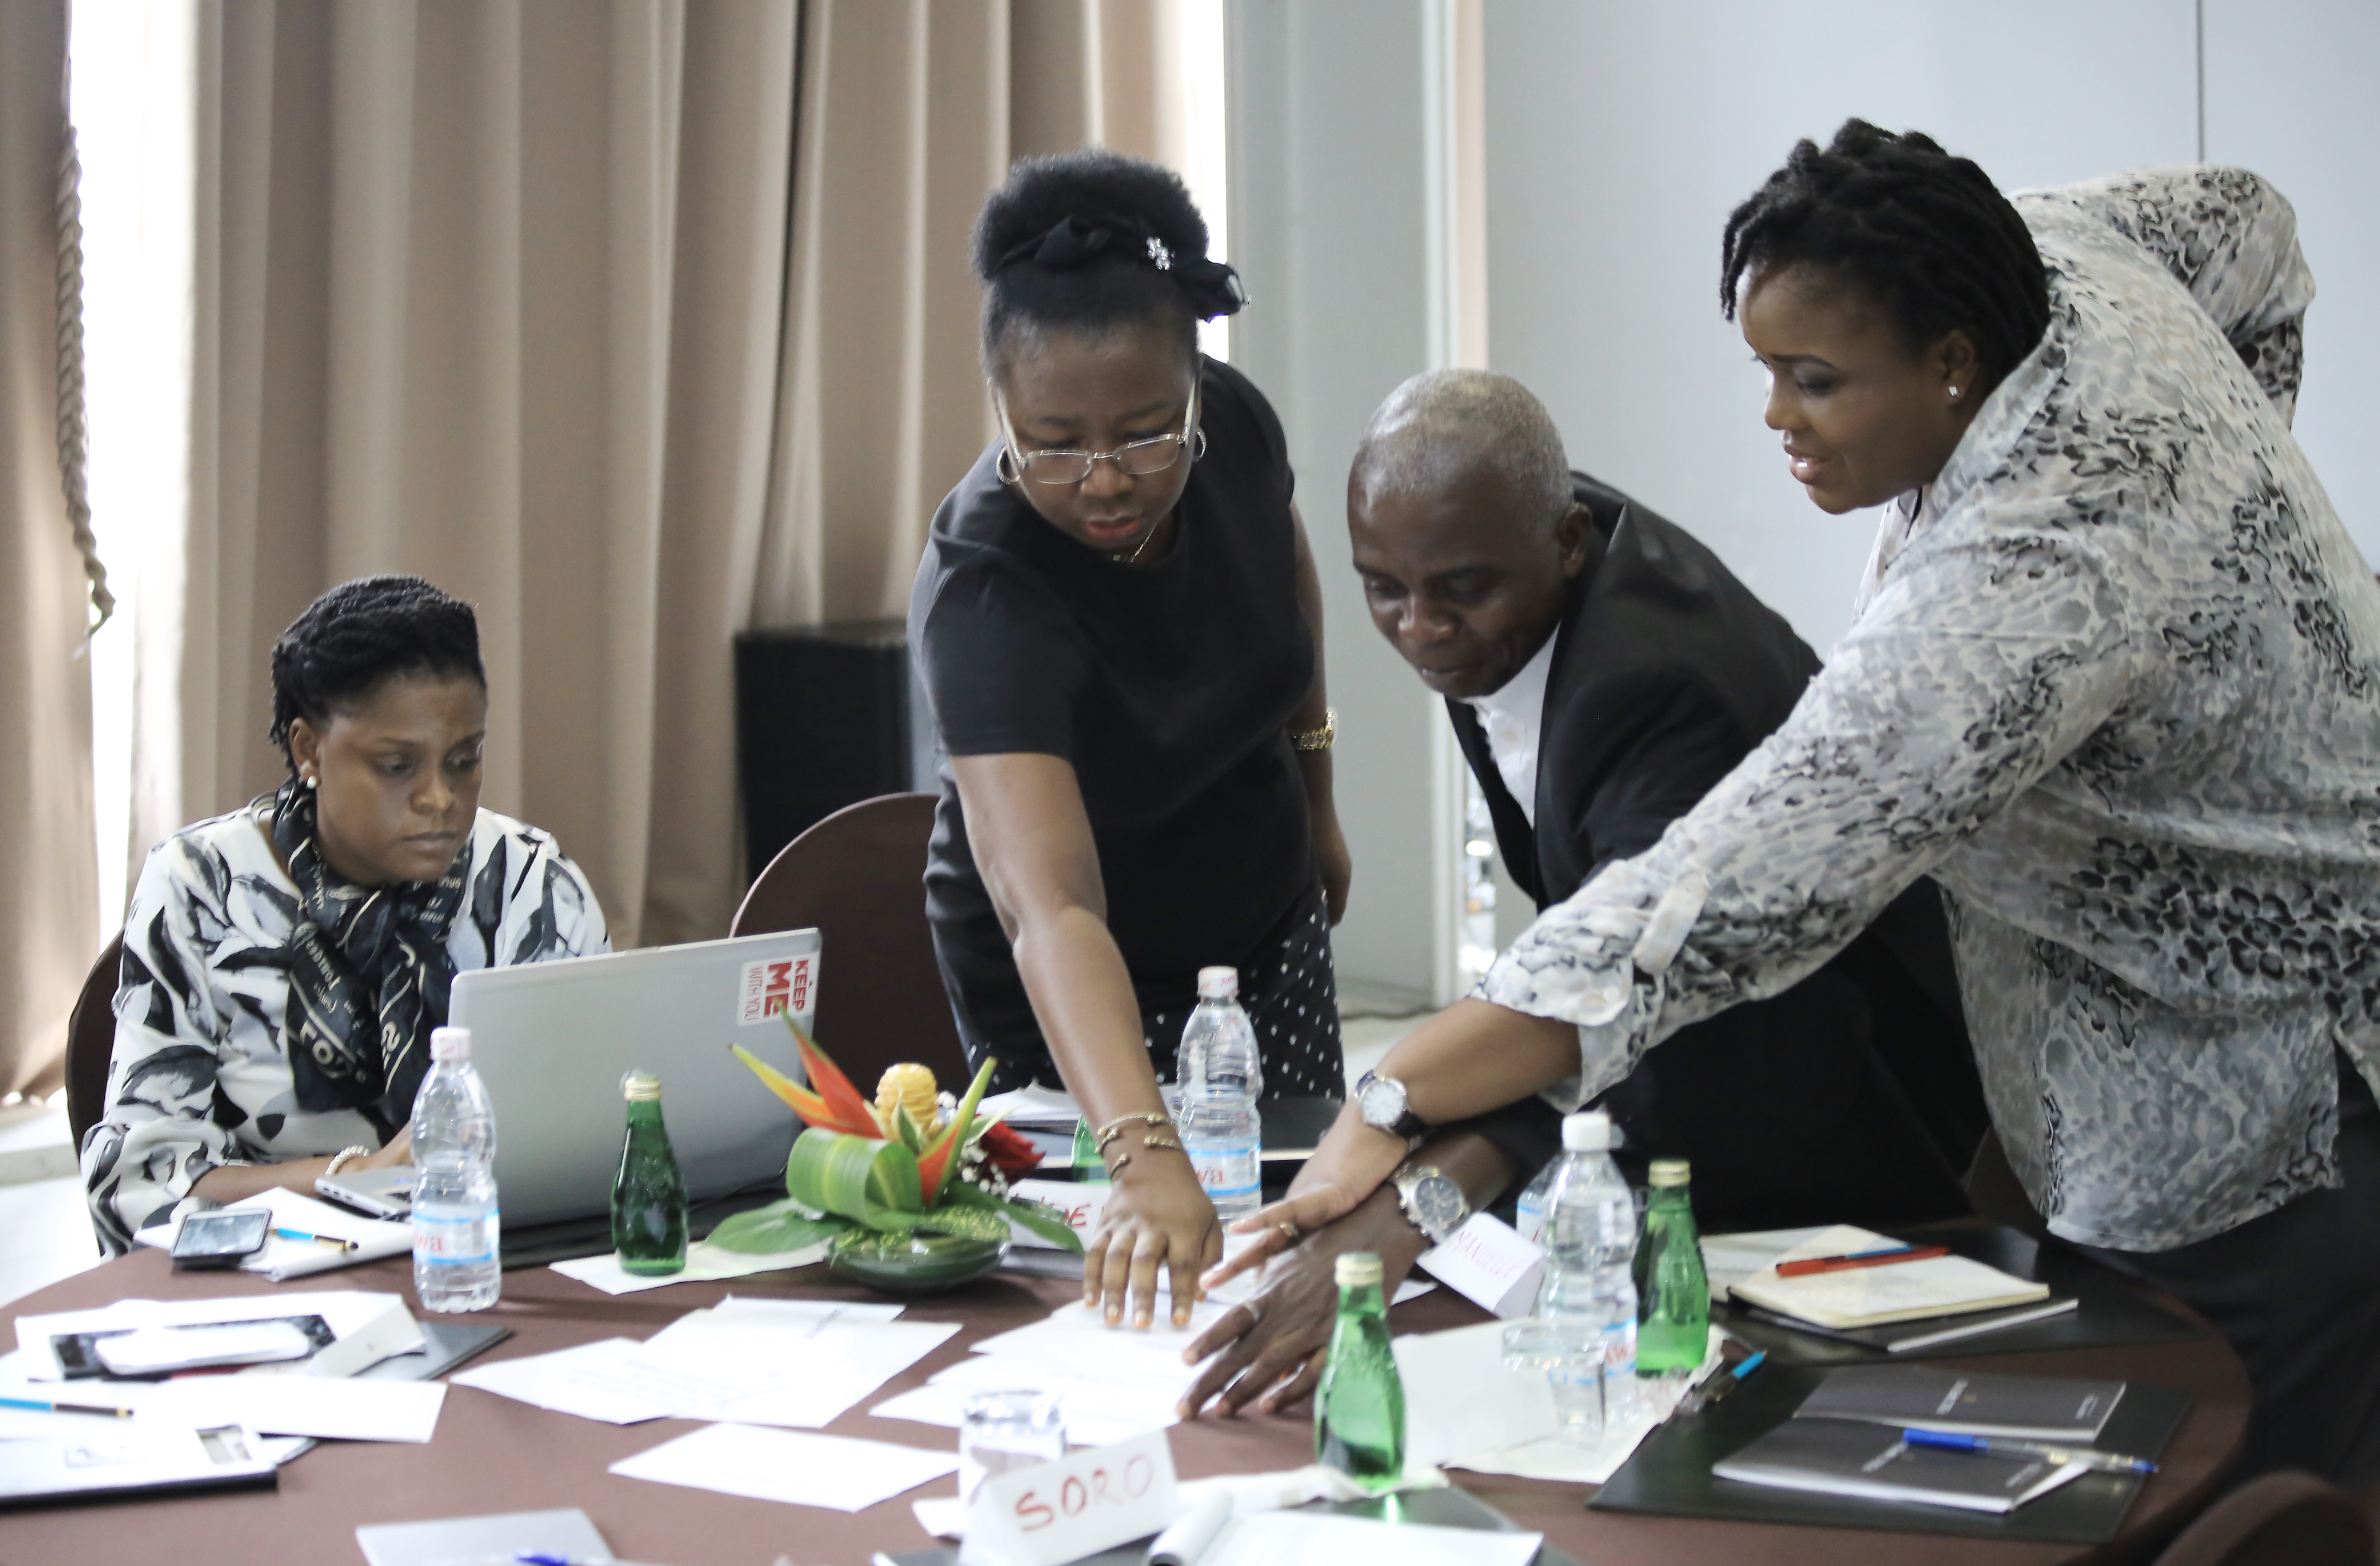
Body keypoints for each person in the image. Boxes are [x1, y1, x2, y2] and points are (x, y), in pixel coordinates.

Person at [1221, 123, 2380, 1484]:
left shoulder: (2028, 583)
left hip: (2260, 1092)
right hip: (2124, 1032)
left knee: (2219, 1489)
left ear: (1953, 362)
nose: (1775, 415)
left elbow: (1713, 898)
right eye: (1767, 368)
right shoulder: (2045, 258)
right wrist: (2227, 564)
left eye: (1816, 380)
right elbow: (2252, 224)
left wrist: (1390, 1095)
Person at [1179, 369, 1988, 1415]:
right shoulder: (1498, 562)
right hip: (1687, 1068)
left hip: (1837, 1121)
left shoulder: (1663, 689)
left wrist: (1397, 1137)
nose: (1421, 627)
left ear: (1563, 544)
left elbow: (1612, 989)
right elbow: (1574, 963)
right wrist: (1414, 1189)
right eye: (1383, 588)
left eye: (1458, 589)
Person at [909, 151, 1349, 1330]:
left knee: (1296, 1236)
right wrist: (1144, 1151)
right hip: (1074, 978)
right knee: (1119, 1285)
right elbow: (1051, 907)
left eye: (1148, 434)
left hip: (1258, 918)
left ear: (1197, 388)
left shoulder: (1234, 429)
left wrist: (1319, 799)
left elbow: (1288, 578)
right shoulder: (984, 589)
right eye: (1052, 442)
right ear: (1000, 404)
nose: (1104, 480)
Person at [82, 576, 609, 1252]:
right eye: (396, 765)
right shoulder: (202, 887)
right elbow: (137, 1183)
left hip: (494, 1256)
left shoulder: (530, 882)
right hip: (274, 1274)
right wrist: (357, 1176)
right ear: (309, 749)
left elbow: (598, 1126)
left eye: (464, 759)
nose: (439, 797)